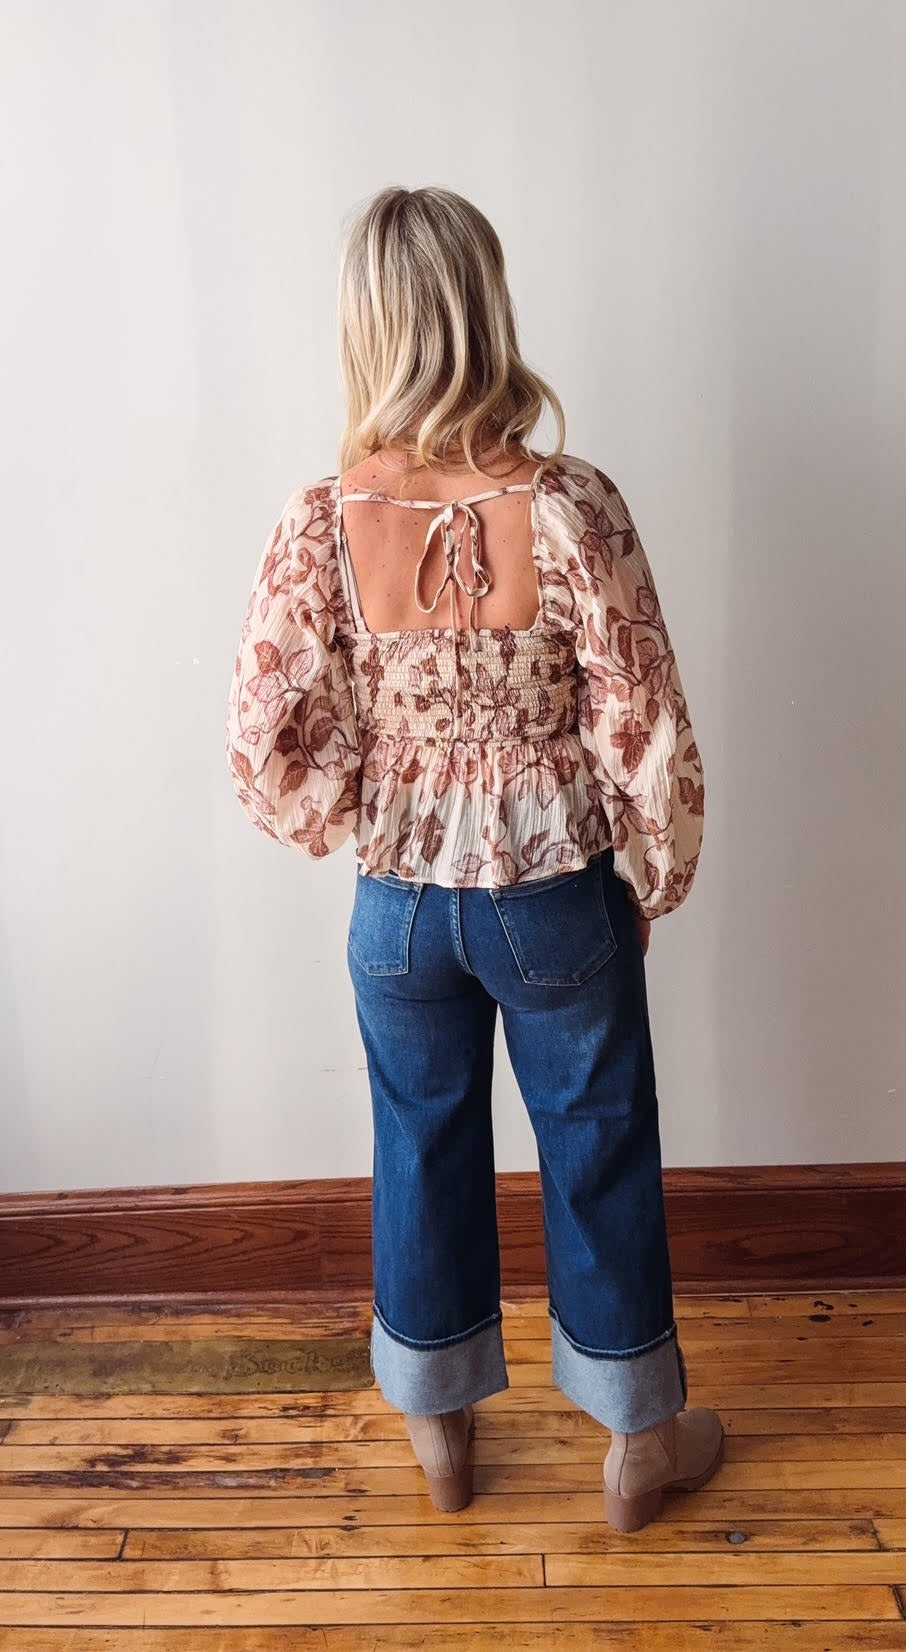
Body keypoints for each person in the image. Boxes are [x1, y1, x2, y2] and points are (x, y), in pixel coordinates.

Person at [224, 184, 724, 1533]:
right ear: (484, 310)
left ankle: (439, 1430)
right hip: (552, 896)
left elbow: (264, 727)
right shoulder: (568, 504)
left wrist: (359, 810)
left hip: (394, 910)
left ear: (366, 327)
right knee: (599, 1143)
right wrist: (653, 872)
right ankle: (638, 1438)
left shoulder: (323, 520)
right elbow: (644, 715)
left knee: (417, 1145)